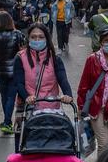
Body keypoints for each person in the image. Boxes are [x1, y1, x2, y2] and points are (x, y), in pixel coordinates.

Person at [13, 23, 74, 152]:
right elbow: (18, 83)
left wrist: (68, 94)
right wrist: (27, 97)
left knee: (51, 144)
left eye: (40, 37)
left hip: (51, 107)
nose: (37, 40)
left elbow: (63, 79)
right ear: (28, 39)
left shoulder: (55, 59)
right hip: (27, 107)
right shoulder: (20, 58)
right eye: (33, 37)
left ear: (46, 39)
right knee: (23, 143)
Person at [0, 10, 26, 134]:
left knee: (5, 97)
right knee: (11, 97)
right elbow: (25, 52)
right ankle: (7, 122)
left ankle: (6, 122)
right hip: (15, 72)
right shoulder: (18, 34)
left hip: (0, 72)